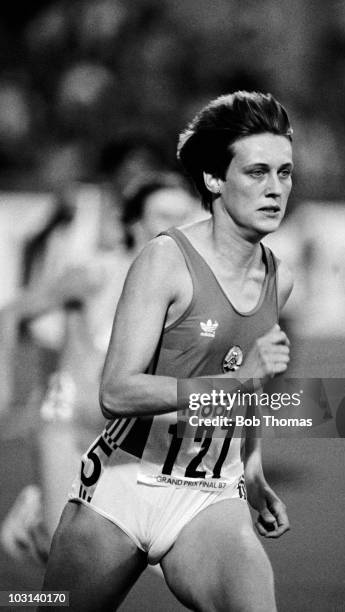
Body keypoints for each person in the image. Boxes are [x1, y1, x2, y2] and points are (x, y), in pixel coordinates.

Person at [41, 91, 294, 612]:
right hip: (123, 486)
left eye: (285, 172)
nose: (275, 189)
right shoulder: (165, 259)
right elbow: (116, 391)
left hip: (210, 494)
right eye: (257, 172)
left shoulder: (278, 278)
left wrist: (252, 469)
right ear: (213, 179)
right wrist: (232, 384)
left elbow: (247, 391)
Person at [0, 173, 199, 565]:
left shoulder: (182, 288)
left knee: (115, 554)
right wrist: (3, 381)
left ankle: (38, 515)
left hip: (122, 436)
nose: (174, 226)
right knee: (70, 558)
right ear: (134, 221)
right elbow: (12, 312)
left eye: (183, 215)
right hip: (67, 421)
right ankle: (38, 522)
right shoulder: (96, 274)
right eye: (162, 214)